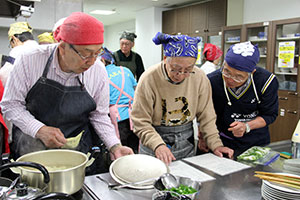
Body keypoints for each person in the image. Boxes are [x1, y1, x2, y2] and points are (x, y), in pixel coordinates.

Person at [0, 12, 133, 175]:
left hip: (77, 152)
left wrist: (115, 145)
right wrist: (39, 129)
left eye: (97, 53)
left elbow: (99, 115)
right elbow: (10, 105)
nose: (91, 61)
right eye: (85, 53)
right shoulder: (30, 60)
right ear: (62, 47)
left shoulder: (97, 70)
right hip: (32, 149)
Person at [131, 32, 233, 165]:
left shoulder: (199, 77)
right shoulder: (149, 78)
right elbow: (140, 121)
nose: (180, 75)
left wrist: (216, 144)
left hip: (186, 141)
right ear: (165, 58)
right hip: (154, 140)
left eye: (188, 70)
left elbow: (207, 116)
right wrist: (157, 145)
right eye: (175, 69)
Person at [207, 41, 279, 157]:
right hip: (223, 142)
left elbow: (270, 115)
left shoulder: (266, 82)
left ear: (252, 72)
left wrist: (247, 126)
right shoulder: (212, 81)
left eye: (239, 76)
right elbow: (205, 115)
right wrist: (204, 138)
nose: (230, 79)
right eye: (227, 72)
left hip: (256, 142)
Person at [100, 47, 139, 153]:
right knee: (135, 148)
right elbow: (135, 89)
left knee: (121, 151)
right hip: (133, 116)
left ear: (102, 61)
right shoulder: (125, 70)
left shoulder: (101, 75)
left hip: (117, 118)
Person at [0, 22, 38, 86]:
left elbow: (5, 76)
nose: (12, 47)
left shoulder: (18, 51)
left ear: (14, 39)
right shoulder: (40, 49)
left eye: (11, 45)